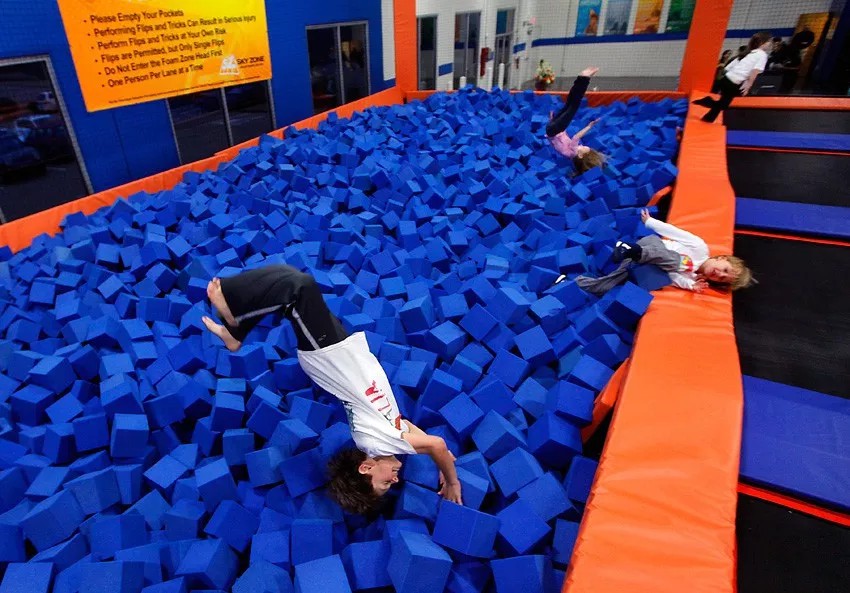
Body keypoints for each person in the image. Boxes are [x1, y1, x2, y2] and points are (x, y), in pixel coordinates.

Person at [200, 265, 463, 513]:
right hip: (340, 353)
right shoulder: (388, 439)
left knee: (298, 288)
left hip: (327, 356)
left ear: (366, 468)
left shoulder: (374, 442)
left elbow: (435, 444)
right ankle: (236, 331)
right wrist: (444, 460)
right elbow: (410, 429)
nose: (393, 482)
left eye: (383, 484)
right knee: (295, 294)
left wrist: (452, 481)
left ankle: (235, 312)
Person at [571, 209, 753, 295]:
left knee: (604, 286)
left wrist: (691, 286)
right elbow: (675, 232)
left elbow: (672, 278)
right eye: (725, 269)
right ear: (722, 258)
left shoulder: (693, 278)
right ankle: (630, 249)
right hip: (651, 246)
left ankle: (570, 282)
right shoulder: (699, 248)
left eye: (721, 278)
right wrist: (650, 222)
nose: (719, 273)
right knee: (678, 262)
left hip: (640, 263)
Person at [693, 32, 773, 123]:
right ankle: (708, 101)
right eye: (769, 42)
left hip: (726, 79)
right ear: (763, 42)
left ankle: (707, 119)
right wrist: (748, 85)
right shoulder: (762, 55)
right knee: (724, 104)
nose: (770, 44)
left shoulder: (748, 53)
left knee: (723, 102)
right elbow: (755, 71)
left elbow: (728, 68)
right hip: (733, 83)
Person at [546, 66, 605, 174]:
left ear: (580, 155)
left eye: (583, 148)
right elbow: (555, 141)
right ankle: (583, 77)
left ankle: (584, 78)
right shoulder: (570, 153)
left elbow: (576, 137)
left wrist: (589, 126)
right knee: (571, 102)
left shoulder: (573, 152)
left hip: (555, 129)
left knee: (574, 104)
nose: (582, 145)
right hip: (554, 129)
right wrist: (552, 121)